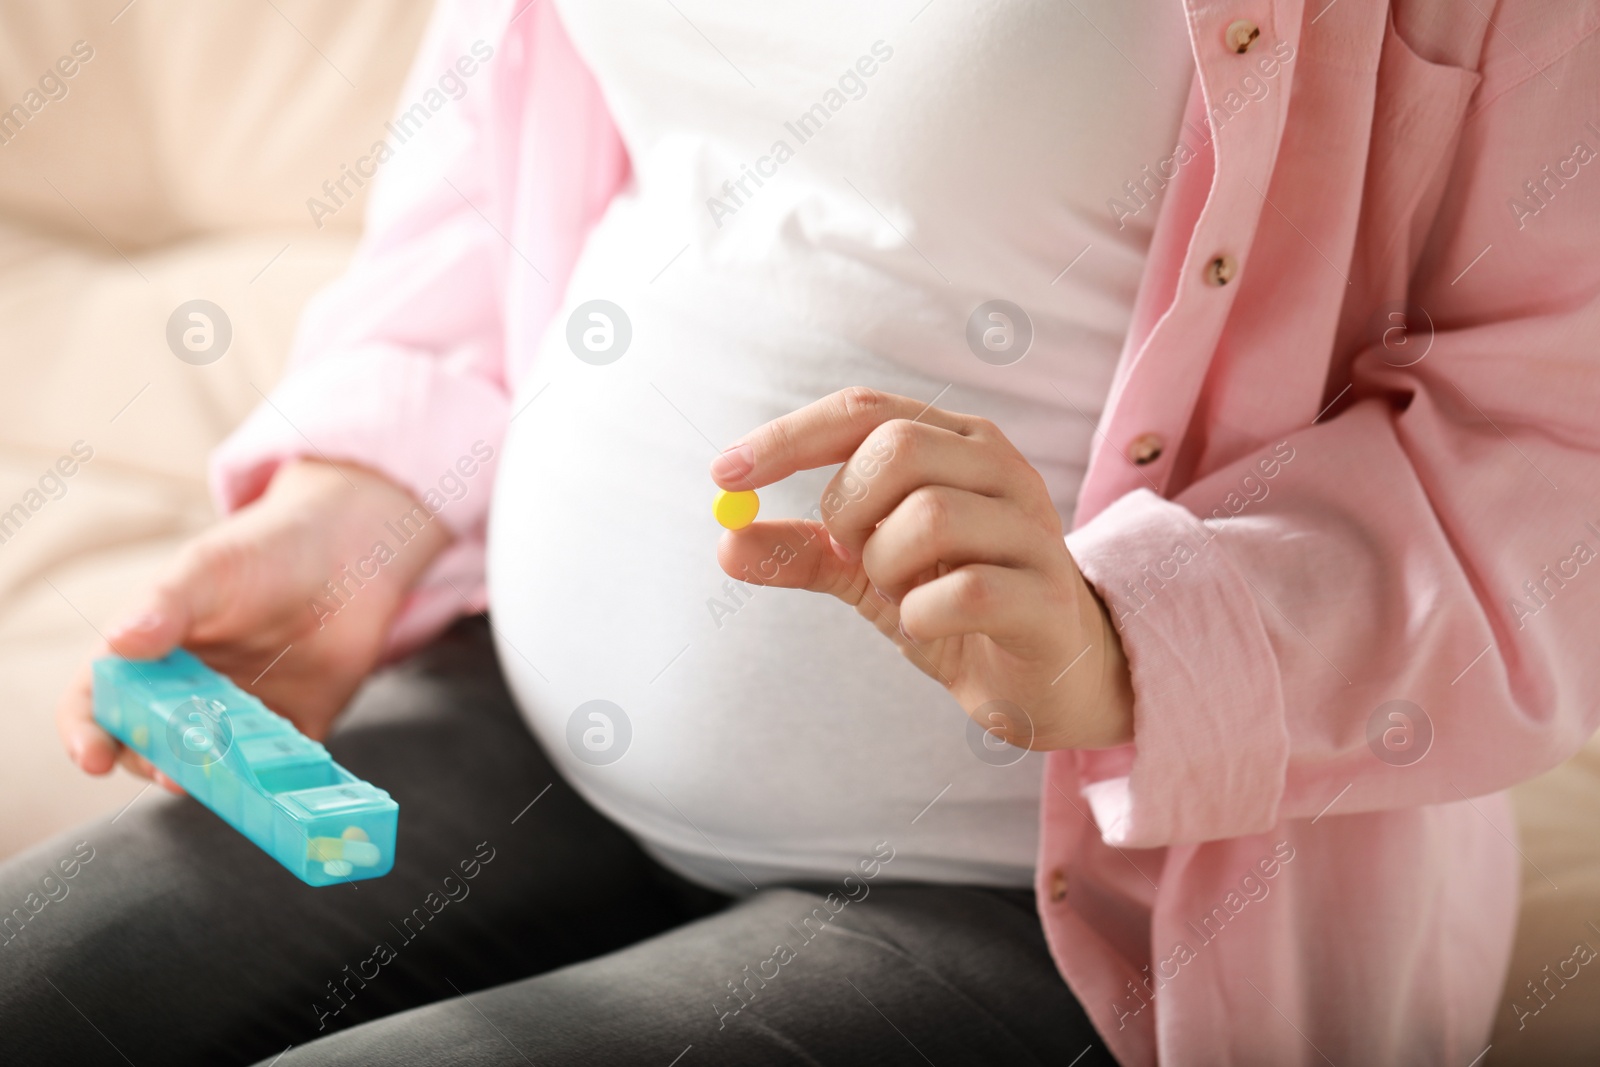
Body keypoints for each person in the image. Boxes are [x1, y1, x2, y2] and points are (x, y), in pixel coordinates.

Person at [6, 1, 1599, 1063]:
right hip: (542, 719)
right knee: (38, 983)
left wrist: (1138, 643)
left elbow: (1556, 440)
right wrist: (355, 506)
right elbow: (502, 162)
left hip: (1070, 902)